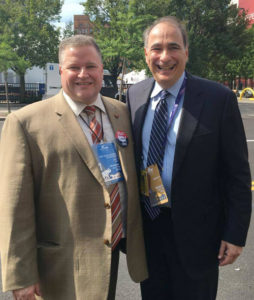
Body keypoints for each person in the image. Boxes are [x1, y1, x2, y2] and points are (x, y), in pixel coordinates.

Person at [0, 35, 147, 300]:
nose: (83, 74)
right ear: (60, 70)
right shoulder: (25, 123)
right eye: (73, 67)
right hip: (59, 263)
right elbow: (14, 206)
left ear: (102, 70)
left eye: (91, 66)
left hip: (110, 253)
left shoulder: (121, 112)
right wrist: (20, 274)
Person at [127, 16, 252, 300]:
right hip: (149, 230)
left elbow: (237, 174)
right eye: (156, 48)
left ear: (186, 52)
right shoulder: (135, 94)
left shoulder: (217, 98)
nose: (165, 56)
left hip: (199, 236)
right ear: (146, 54)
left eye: (173, 47)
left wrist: (235, 234)